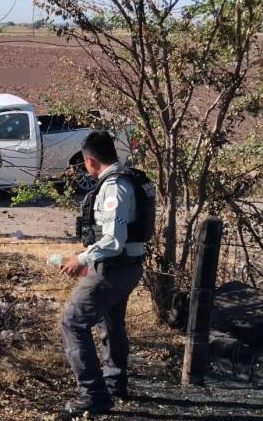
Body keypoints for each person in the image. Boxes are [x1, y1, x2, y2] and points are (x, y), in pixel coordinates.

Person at [58, 130, 149, 417]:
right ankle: (114, 382)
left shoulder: (114, 187)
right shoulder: (128, 179)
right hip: (126, 267)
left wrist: (81, 258)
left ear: (89, 160)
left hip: (113, 268)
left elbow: (113, 240)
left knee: (72, 322)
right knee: (110, 323)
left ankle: (94, 395)